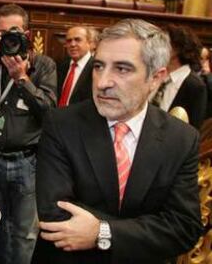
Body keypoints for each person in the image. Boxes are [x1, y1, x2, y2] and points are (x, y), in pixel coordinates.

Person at [33, 19, 202, 264]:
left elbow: (184, 227)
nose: (102, 82)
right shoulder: (61, 124)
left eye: (122, 69)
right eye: (99, 66)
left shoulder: (182, 139)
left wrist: (102, 232)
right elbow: (56, 215)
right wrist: (147, 230)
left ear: (156, 77)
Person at [0, 3, 57, 264]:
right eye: (2, 32)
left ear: (27, 34)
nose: (9, 37)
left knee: (24, 233)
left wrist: (21, 78)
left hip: (27, 162)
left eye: (14, 31)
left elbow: (49, 111)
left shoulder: (42, 65)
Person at [151, 24, 207, 129]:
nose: (157, 48)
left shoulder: (194, 86)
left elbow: (193, 129)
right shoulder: (155, 75)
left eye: (163, 43)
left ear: (177, 49)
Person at [57, 26, 93, 107]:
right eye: (69, 41)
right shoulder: (61, 66)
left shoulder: (96, 68)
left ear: (89, 43)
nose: (72, 44)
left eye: (77, 40)